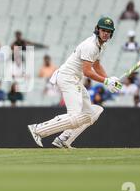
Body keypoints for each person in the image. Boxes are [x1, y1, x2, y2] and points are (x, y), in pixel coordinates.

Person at [27, 17, 122, 149]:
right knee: (75, 116)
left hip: (74, 80)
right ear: (97, 29)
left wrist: (109, 80)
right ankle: (38, 129)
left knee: (91, 114)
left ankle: (63, 139)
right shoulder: (90, 46)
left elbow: (97, 65)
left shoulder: (101, 45)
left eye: (108, 31)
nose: (106, 33)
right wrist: (106, 81)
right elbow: (88, 72)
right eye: (103, 30)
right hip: (67, 78)